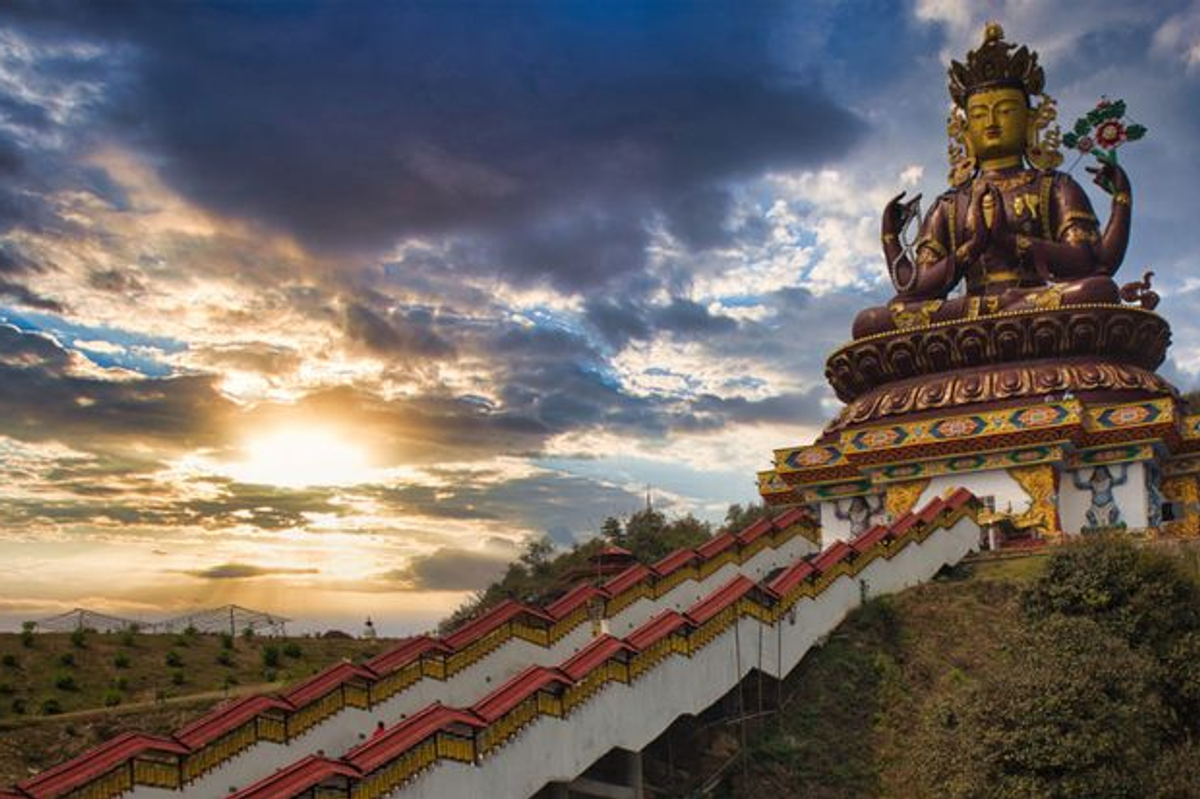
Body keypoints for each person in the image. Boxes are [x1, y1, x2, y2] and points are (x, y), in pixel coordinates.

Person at [853, 23, 1132, 338]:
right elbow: (915, 288)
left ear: (1030, 122)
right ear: (964, 131)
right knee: (872, 322)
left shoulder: (1054, 187)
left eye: (1006, 111)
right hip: (970, 313)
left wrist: (1012, 242)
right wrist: (895, 240)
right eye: (980, 114)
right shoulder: (950, 204)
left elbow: (1087, 263)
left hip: (1035, 303)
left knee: (1096, 292)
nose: (992, 122)